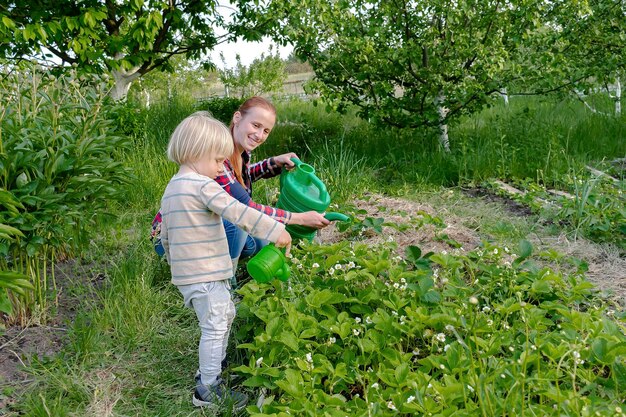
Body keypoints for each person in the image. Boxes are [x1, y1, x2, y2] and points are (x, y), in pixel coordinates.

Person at [159, 111, 292, 410]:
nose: (222, 167)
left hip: (188, 275)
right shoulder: (203, 186)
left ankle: (210, 366)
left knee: (222, 316)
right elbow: (238, 212)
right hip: (206, 273)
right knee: (216, 324)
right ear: (198, 152)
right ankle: (207, 388)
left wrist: (174, 264)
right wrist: (276, 230)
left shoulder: (172, 187)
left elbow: (166, 235)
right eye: (219, 160)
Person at [151, 96, 329, 273]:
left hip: (193, 229)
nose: (259, 135)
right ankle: (225, 279)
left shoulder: (239, 152)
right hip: (173, 238)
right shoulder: (217, 157)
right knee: (242, 228)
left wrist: (274, 162)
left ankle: (227, 265)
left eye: (266, 131)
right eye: (256, 125)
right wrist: (300, 218)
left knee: (257, 240)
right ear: (237, 118)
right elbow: (246, 208)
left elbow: (241, 178)